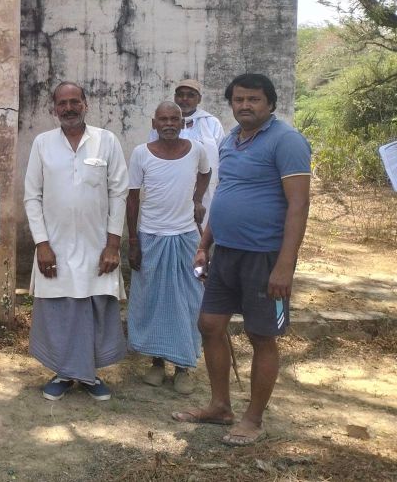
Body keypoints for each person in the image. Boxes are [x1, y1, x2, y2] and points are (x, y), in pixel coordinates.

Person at [173, 73, 311, 446]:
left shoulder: (287, 140)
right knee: (209, 324)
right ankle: (220, 407)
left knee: (261, 335)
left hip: (265, 256)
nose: (245, 105)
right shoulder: (230, 140)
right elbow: (223, 194)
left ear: (270, 103)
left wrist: (285, 265)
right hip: (226, 252)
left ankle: (253, 418)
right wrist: (204, 245)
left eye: (253, 99)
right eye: (238, 99)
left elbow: (299, 205)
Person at [24, 81, 129, 401]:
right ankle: (63, 373)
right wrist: (42, 243)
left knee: (94, 308)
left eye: (74, 102)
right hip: (54, 246)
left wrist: (113, 245)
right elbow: (32, 196)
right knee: (59, 311)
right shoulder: (43, 143)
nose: (68, 108)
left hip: (97, 246)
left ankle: (89, 375)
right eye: (62, 103)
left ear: (86, 104)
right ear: (54, 108)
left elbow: (119, 193)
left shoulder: (106, 141)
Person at [127, 101, 211, 395]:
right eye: (163, 119)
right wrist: (133, 242)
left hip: (186, 237)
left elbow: (206, 173)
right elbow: (132, 198)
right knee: (153, 301)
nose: (169, 124)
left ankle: (183, 366)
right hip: (151, 237)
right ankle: (157, 363)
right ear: (154, 123)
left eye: (174, 119)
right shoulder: (141, 154)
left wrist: (197, 199)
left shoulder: (197, 150)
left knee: (188, 301)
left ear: (182, 123)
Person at [150, 79, 225, 226]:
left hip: (205, 190)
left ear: (199, 99)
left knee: (202, 228)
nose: (184, 99)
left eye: (190, 95)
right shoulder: (162, 123)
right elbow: (152, 152)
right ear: (174, 97)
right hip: (170, 188)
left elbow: (221, 156)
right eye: (180, 95)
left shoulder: (211, 123)